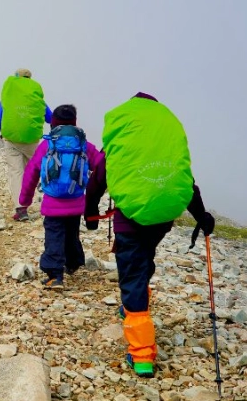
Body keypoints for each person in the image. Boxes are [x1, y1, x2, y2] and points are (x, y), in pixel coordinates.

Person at [85, 92, 215, 378]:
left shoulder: (122, 144)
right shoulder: (165, 148)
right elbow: (186, 182)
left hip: (130, 218)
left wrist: (91, 215)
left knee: (131, 270)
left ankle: (142, 353)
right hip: (163, 217)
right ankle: (135, 300)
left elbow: (97, 181)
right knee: (143, 258)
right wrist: (202, 216)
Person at [20, 105, 103, 289]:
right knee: (71, 234)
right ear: (74, 122)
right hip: (76, 203)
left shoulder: (48, 145)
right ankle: (73, 263)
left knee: (54, 236)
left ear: (54, 123)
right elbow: (100, 165)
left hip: (52, 203)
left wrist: (24, 201)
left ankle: (54, 275)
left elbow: (31, 172)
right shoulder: (84, 145)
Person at [0, 68, 52, 221]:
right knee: (31, 172)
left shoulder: (9, 95)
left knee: (16, 172)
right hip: (31, 140)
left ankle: (21, 210)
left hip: (11, 139)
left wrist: (4, 130)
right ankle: (51, 200)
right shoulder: (35, 96)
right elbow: (50, 117)